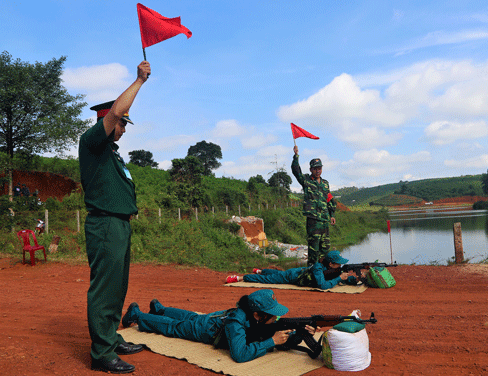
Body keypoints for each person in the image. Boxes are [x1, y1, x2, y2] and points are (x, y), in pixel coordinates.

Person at [78, 60, 151, 374]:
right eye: (122, 123)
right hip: (105, 223)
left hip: (119, 224)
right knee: (104, 288)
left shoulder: (112, 153)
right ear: (106, 121)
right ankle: (101, 354)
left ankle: (110, 337)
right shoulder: (93, 143)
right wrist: (139, 81)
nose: (123, 129)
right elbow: (116, 113)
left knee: (117, 286)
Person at [121, 289, 318, 363]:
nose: (276, 318)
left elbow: (275, 336)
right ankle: (137, 315)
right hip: (207, 329)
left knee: (189, 316)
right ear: (258, 314)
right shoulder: (236, 322)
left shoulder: (256, 317)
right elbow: (239, 354)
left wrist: (300, 334)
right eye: (272, 314)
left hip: (215, 318)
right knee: (176, 326)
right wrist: (271, 342)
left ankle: (160, 309)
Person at [291, 145, 336, 266]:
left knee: (325, 247)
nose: (318, 171)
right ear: (311, 169)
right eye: (315, 168)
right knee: (313, 249)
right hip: (313, 221)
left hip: (324, 220)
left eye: (319, 168)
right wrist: (296, 156)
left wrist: (332, 214)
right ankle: (311, 273)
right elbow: (296, 171)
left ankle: (323, 271)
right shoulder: (306, 180)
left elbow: (329, 199)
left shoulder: (325, 184)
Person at [226, 250, 358, 290]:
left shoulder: (332, 270)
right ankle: (240, 277)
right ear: (331, 263)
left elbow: (341, 278)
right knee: (269, 280)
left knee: (278, 273)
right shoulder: (318, 267)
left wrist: (354, 278)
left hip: (298, 272)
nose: (340, 266)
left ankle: (260, 270)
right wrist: (339, 278)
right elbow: (322, 285)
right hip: (293, 276)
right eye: (338, 264)